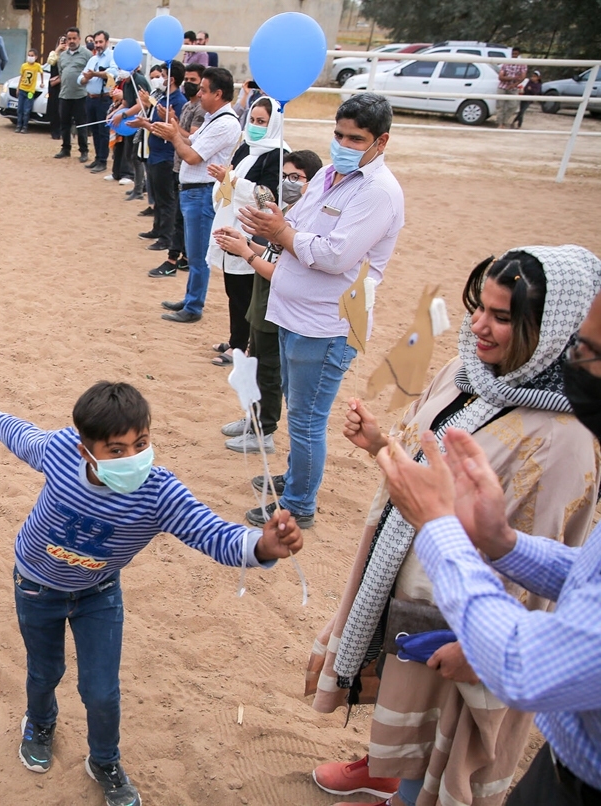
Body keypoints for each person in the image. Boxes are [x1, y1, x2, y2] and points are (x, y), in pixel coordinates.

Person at [304, 246, 601, 806]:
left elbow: (560, 565)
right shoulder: (466, 373)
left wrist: (481, 644)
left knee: (443, 739)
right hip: (416, 582)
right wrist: (381, 447)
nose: (479, 326)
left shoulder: (568, 438)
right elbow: (431, 469)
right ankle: (387, 773)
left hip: (473, 618)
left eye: (503, 317)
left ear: (554, 329)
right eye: (477, 307)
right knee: (406, 707)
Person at [0, 381, 304, 806]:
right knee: (44, 671)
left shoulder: (159, 493)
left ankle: (104, 760)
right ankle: (41, 721)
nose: (133, 457)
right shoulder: (61, 450)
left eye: (141, 443)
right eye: (117, 450)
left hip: (98, 592)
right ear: (86, 451)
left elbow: (211, 532)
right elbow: (21, 434)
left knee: (101, 691)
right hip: (35, 585)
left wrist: (262, 546)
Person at [236, 92, 405, 529]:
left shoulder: (379, 193)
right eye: (338, 134)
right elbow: (302, 227)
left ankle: (298, 504)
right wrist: (276, 221)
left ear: (380, 142)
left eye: (355, 139)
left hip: (327, 324)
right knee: (298, 408)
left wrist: (282, 231)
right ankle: (296, 479)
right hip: (295, 313)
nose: (342, 145)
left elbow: (335, 256)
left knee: (308, 419)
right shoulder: (330, 174)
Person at [215, 150, 322, 455]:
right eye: (284, 175)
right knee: (257, 364)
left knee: (270, 372)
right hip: (262, 302)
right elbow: (270, 255)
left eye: (296, 177)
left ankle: (265, 430)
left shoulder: (304, 218)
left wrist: (246, 253)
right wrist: (243, 243)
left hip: (279, 306)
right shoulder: (284, 210)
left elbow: (282, 272)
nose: (288, 182)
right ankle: (253, 419)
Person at [153, 66, 241, 324]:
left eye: (204, 90)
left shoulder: (225, 123)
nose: (199, 94)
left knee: (199, 253)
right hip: (195, 191)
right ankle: (191, 297)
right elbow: (192, 143)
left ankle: (193, 306)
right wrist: (175, 130)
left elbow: (191, 156)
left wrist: (173, 137)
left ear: (218, 93)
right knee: (194, 251)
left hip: (202, 192)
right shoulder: (213, 118)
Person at [205, 97, 287, 371]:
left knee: (246, 292)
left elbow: (267, 198)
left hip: (253, 231)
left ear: (273, 123)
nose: (254, 126)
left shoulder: (278, 155)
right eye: (252, 120)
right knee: (233, 289)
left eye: (261, 122)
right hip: (231, 223)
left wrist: (235, 182)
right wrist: (224, 181)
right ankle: (236, 339)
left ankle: (242, 345)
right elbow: (228, 182)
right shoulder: (245, 148)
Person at [145, 62, 205, 278]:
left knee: (179, 214)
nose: (188, 85)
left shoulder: (199, 109)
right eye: (187, 80)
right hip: (178, 164)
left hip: (186, 166)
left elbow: (190, 138)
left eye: (193, 81)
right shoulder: (188, 105)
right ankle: (182, 256)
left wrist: (170, 124)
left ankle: (173, 258)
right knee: (174, 209)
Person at [133, 61, 187, 259]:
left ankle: (166, 236)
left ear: (171, 79)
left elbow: (171, 130)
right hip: (155, 152)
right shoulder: (163, 98)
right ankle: (157, 228)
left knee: (166, 199)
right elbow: (156, 121)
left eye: (163, 75)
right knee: (157, 195)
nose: (160, 79)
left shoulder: (178, 101)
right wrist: (145, 122)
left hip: (165, 156)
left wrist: (146, 125)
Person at [54, 28, 91, 162]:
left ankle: (83, 151)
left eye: (74, 38)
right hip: (64, 94)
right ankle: (65, 149)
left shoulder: (86, 54)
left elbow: (91, 73)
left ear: (79, 39)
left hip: (80, 95)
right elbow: (61, 72)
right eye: (69, 39)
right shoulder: (62, 56)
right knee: (64, 124)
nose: (72, 41)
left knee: (81, 125)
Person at [80, 31, 113, 172]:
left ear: (107, 42)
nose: (98, 45)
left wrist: (94, 74)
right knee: (94, 130)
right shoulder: (93, 59)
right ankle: (97, 158)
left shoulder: (112, 56)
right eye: (96, 42)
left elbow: (113, 74)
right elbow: (80, 79)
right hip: (90, 98)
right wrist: (86, 78)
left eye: (100, 42)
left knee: (103, 131)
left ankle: (103, 160)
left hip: (103, 99)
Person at [497, 47, 527, 129]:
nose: (514, 55)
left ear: (519, 54)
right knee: (500, 106)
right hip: (502, 86)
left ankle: (504, 121)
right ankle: (500, 123)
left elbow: (522, 77)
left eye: (516, 54)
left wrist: (514, 84)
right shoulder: (506, 63)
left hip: (513, 87)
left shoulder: (522, 64)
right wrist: (513, 78)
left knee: (513, 106)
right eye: (513, 54)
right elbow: (501, 77)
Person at [15, 49, 42, 133]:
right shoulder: (24, 66)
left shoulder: (37, 66)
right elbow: (21, 76)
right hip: (22, 89)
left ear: (36, 57)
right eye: (29, 55)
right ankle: (18, 125)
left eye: (32, 55)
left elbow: (41, 73)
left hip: (30, 91)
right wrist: (18, 87)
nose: (30, 57)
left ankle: (25, 126)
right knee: (20, 109)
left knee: (27, 109)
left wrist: (42, 82)